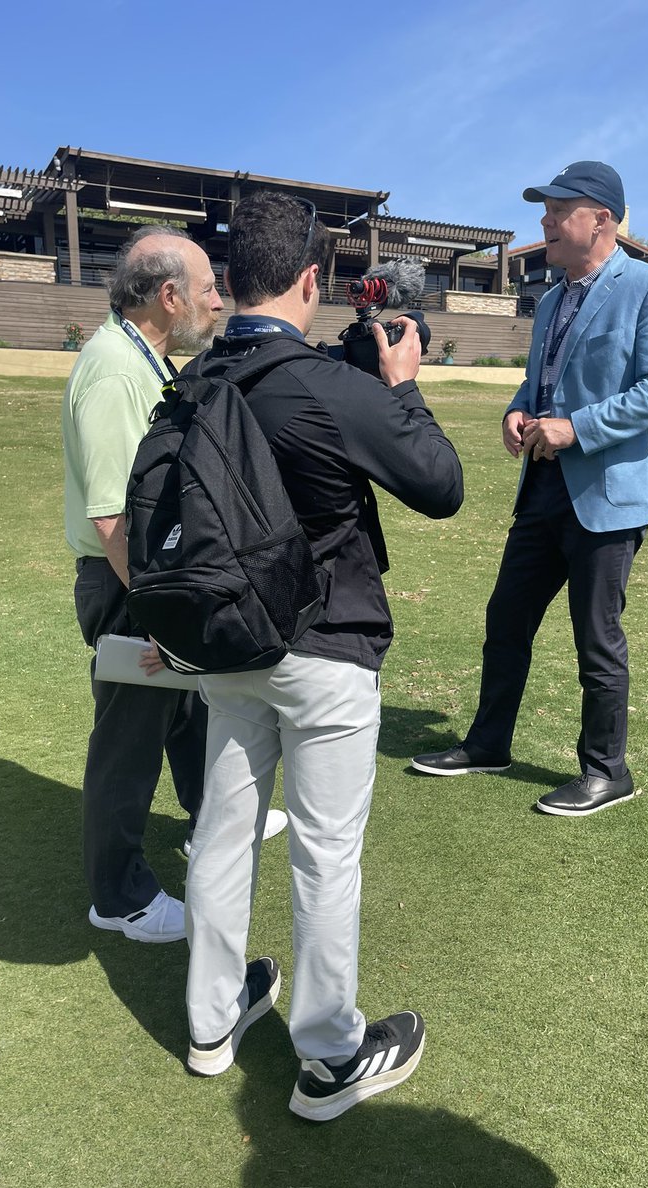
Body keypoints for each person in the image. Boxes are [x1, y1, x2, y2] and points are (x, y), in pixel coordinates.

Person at [182, 191, 463, 1120]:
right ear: (314, 279)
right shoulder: (331, 388)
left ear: (226, 283)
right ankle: (331, 1054)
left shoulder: (191, 382)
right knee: (324, 854)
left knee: (225, 834)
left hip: (226, 642)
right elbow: (441, 485)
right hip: (325, 643)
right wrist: (404, 382)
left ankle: (213, 1020)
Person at [411, 161, 648, 816]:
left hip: (606, 494)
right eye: (545, 211)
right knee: (505, 619)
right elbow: (539, 387)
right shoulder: (551, 299)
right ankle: (488, 744)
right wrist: (517, 408)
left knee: (596, 639)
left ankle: (606, 771)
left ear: (601, 219)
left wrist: (578, 428)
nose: (543, 224)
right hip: (540, 489)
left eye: (556, 211)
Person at [62, 226, 286, 945]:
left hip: (145, 579)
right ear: (168, 295)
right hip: (127, 581)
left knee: (184, 710)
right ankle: (120, 896)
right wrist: (159, 613)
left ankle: (203, 821)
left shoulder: (141, 360)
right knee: (128, 738)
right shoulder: (116, 373)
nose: (220, 302)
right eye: (209, 289)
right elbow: (108, 518)